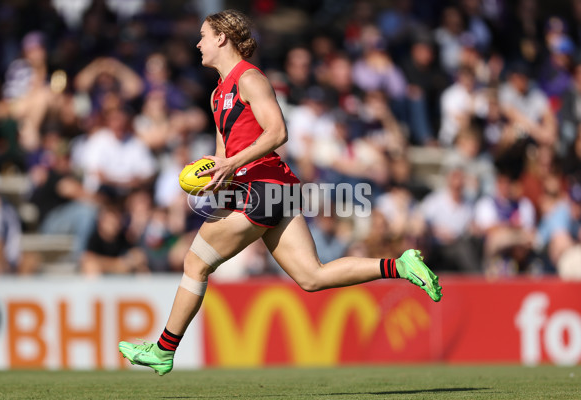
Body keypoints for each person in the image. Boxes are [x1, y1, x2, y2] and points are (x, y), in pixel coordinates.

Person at [118, 9, 442, 376]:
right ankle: (400, 265)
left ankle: (163, 349)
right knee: (311, 277)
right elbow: (224, 157)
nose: (198, 43)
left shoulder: (250, 79)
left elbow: (277, 132)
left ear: (222, 37)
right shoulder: (216, 94)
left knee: (195, 262)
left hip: (266, 187)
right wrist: (215, 176)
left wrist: (231, 163)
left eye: (204, 35)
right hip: (269, 190)